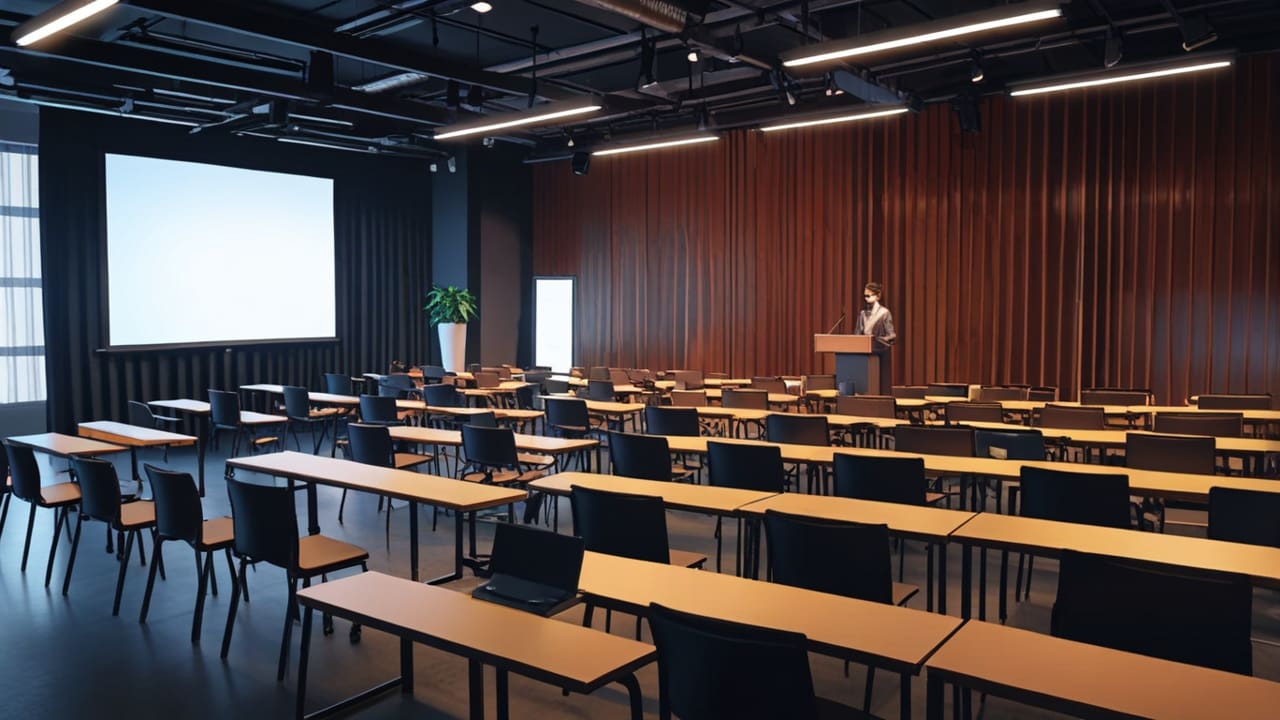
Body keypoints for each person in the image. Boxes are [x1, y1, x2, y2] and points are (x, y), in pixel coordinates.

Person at [854, 281, 896, 390]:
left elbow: (892, 335)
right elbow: (857, 334)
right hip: (862, 356)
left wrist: (876, 339)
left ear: (877, 296)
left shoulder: (884, 313)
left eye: (868, 296)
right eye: (864, 296)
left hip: (878, 355)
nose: (865, 299)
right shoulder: (862, 314)